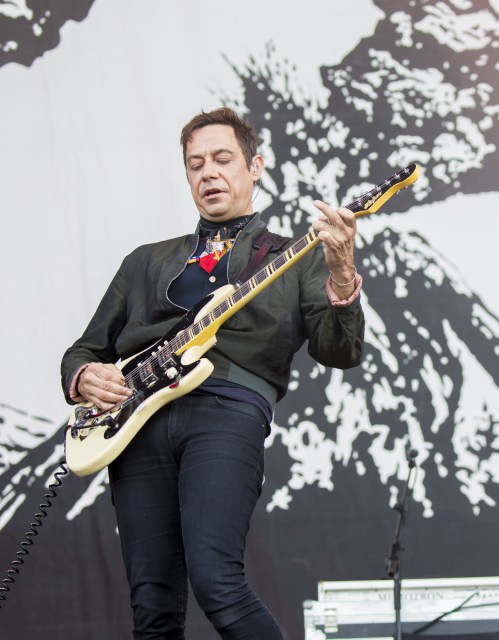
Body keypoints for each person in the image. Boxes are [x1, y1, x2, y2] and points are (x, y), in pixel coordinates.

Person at [60, 107, 365, 639]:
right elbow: (82, 350)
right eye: (195, 164)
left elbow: (340, 350)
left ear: (255, 167)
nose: (209, 173)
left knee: (217, 580)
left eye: (223, 159)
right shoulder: (145, 262)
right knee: (152, 605)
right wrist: (85, 377)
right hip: (135, 425)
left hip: (226, 410)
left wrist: (341, 272)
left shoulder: (293, 257)